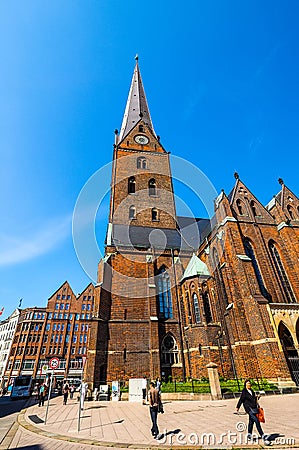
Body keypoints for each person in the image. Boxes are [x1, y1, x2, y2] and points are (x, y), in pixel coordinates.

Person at [236, 379, 270, 445]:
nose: (249, 384)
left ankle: (249, 434)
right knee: (257, 421)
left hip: (254, 408)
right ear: (245, 385)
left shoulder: (251, 390)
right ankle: (263, 436)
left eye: (249, 383)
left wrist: (257, 397)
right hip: (249, 409)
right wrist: (238, 407)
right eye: (248, 383)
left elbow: (254, 398)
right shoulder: (244, 391)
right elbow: (241, 399)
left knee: (251, 422)